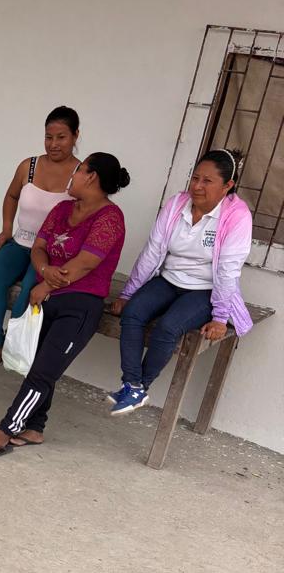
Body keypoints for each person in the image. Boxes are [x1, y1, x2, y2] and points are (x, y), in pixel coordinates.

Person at [0, 153, 130, 455]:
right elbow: (39, 246)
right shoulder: (63, 208)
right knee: (39, 365)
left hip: (79, 304)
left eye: (79, 171)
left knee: (43, 372)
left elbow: (85, 263)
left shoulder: (110, 218)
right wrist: (45, 270)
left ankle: (7, 429)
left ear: (92, 177)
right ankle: (35, 429)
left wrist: (47, 282)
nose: (72, 176)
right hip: (48, 297)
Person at [107, 149, 253, 415]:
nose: (197, 186)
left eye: (207, 181)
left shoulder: (237, 216)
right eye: (195, 178)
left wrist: (220, 317)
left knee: (168, 327)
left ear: (227, 186)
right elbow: (152, 252)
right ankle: (132, 385)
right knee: (133, 313)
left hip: (205, 290)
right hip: (169, 280)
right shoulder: (177, 204)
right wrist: (128, 294)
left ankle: (140, 386)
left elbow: (228, 270)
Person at [0, 106, 80, 371]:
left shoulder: (81, 175)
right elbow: (12, 195)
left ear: (75, 136)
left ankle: (12, 348)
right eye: (48, 137)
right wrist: (6, 228)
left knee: (27, 294)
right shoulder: (29, 166)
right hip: (19, 243)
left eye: (61, 137)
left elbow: (82, 216)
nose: (53, 144)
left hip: (48, 254)